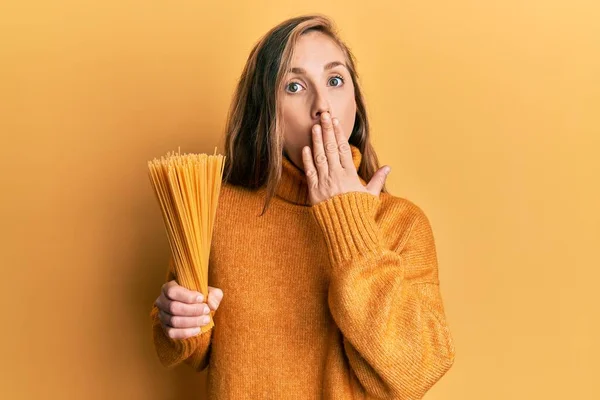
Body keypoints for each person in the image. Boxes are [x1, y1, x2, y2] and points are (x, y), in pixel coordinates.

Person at [150, 13, 456, 399]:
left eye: (335, 80)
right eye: (294, 86)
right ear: (267, 113)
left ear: (356, 103)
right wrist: (176, 320)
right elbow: (195, 351)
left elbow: (417, 369)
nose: (322, 105)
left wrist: (350, 224)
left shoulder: (402, 223)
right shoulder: (214, 208)